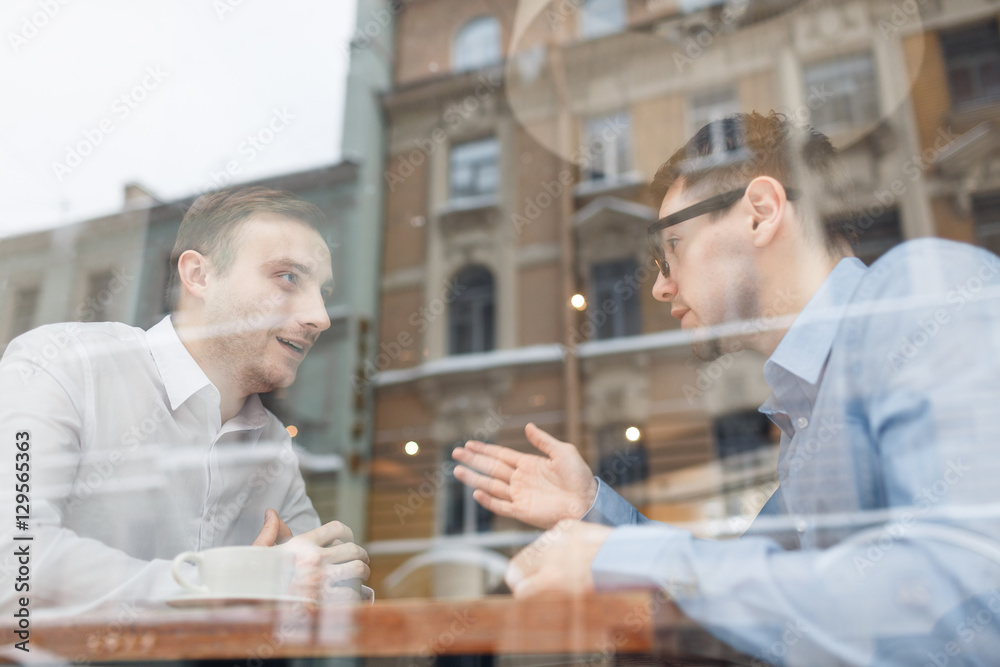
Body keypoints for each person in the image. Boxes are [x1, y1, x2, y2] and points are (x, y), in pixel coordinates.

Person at [452, 112, 1000, 664]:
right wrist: (593, 509)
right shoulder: (805, 409)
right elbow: (759, 597)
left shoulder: (926, 298)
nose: (662, 286)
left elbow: (968, 604)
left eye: (671, 248)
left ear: (760, 214)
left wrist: (632, 557)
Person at [0, 187, 370, 615]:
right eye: (289, 278)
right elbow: (13, 568)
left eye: (322, 291)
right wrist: (238, 581)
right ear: (199, 276)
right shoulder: (61, 365)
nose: (320, 317)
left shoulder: (272, 445)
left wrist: (327, 586)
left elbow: (327, 596)